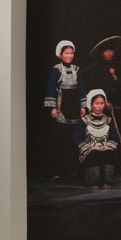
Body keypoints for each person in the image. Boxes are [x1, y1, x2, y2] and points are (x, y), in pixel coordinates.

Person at [41, 41, 83, 180]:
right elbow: (51, 88)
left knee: (74, 139)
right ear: (60, 55)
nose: (69, 56)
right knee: (62, 140)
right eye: (66, 53)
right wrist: (53, 108)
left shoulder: (77, 69)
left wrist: (83, 106)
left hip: (75, 108)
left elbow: (82, 88)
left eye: (71, 53)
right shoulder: (56, 70)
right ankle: (59, 171)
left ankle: (73, 171)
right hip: (62, 108)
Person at [75, 89, 121, 189]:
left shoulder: (108, 120)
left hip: (105, 148)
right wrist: (90, 147)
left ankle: (106, 182)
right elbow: (77, 138)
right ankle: (93, 183)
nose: (99, 106)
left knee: (109, 153)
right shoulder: (84, 120)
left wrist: (107, 146)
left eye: (102, 103)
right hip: (90, 150)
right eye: (97, 103)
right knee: (94, 154)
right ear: (91, 104)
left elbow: (114, 137)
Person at [79, 36, 121, 109]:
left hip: (118, 104)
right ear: (102, 53)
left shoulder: (120, 67)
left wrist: (114, 76)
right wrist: (104, 101)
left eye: (111, 51)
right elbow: (93, 86)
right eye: (106, 51)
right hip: (100, 105)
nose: (109, 53)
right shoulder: (94, 68)